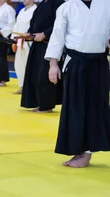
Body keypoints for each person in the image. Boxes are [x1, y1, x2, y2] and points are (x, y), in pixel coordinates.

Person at [46, 0, 110, 168]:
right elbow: (57, 35)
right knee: (75, 107)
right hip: (76, 62)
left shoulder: (106, 4)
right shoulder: (67, 7)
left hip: (99, 63)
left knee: (96, 107)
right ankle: (77, 150)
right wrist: (53, 65)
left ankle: (87, 153)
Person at [20, 0, 64, 112]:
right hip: (37, 45)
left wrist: (45, 34)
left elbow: (59, 24)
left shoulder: (58, 3)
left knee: (44, 76)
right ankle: (38, 103)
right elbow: (35, 22)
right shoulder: (43, 3)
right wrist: (29, 33)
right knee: (35, 74)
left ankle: (46, 105)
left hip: (49, 45)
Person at [11, 0, 37, 94]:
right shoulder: (22, 11)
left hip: (29, 42)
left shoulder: (36, 10)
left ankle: (30, 88)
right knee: (18, 65)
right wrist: (13, 40)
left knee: (28, 65)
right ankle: (22, 86)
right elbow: (16, 26)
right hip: (19, 41)